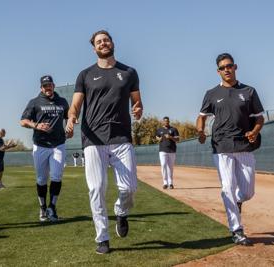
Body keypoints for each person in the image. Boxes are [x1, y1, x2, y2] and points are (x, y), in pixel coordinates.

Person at [66, 30, 143, 254]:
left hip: (121, 137)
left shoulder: (129, 72)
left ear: (112, 43)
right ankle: (103, 238)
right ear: (94, 48)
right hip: (93, 139)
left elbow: (137, 102)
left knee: (129, 188)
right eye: (99, 42)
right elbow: (75, 104)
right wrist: (71, 118)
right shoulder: (85, 74)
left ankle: (121, 212)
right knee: (96, 188)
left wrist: (138, 109)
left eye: (106, 40)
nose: (103, 43)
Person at [196, 53, 264, 246]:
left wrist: (255, 131)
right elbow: (201, 116)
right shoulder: (211, 93)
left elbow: (259, 117)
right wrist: (200, 130)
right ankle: (237, 230)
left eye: (229, 66)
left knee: (247, 192)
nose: (227, 69)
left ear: (235, 67)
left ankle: (238, 200)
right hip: (221, 146)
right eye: (223, 67)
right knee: (227, 187)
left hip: (244, 145)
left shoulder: (249, 91)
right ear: (218, 71)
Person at [20, 75, 69, 222]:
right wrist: (36, 125)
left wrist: (70, 125)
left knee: (56, 177)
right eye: (45, 86)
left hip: (58, 144)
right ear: (41, 88)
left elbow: (70, 116)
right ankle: (42, 208)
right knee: (41, 179)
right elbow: (22, 121)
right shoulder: (34, 102)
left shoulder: (62, 101)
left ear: (54, 86)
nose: (48, 88)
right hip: (40, 145)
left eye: (50, 85)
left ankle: (52, 208)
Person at [156, 116, 179, 189]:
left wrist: (170, 137)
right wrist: (160, 138)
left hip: (172, 150)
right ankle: (165, 183)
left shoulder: (174, 129)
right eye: (165, 121)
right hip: (162, 150)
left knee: (170, 167)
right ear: (163, 122)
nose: (166, 122)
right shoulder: (159, 130)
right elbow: (157, 138)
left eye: (167, 121)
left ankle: (171, 183)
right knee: (163, 165)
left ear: (169, 122)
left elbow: (178, 139)